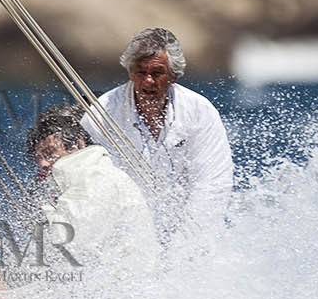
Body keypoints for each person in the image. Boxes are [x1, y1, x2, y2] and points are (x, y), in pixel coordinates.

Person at [85, 27, 232, 237]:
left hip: (189, 227)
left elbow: (213, 184)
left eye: (156, 73)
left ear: (173, 76)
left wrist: (186, 248)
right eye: (140, 72)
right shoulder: (100, 115)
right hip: (123, 229)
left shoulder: (200, 112)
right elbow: (95, 188)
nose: (147, 81)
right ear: (130, 73)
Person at [25, 107, 158, 277]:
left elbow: (72, 248)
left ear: (78, 144)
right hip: (107, 282)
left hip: (121, 288)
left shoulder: (97, 179)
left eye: (50, 153)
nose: (43, 164)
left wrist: (42, 211)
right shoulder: (84, 179)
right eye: (38, 158)